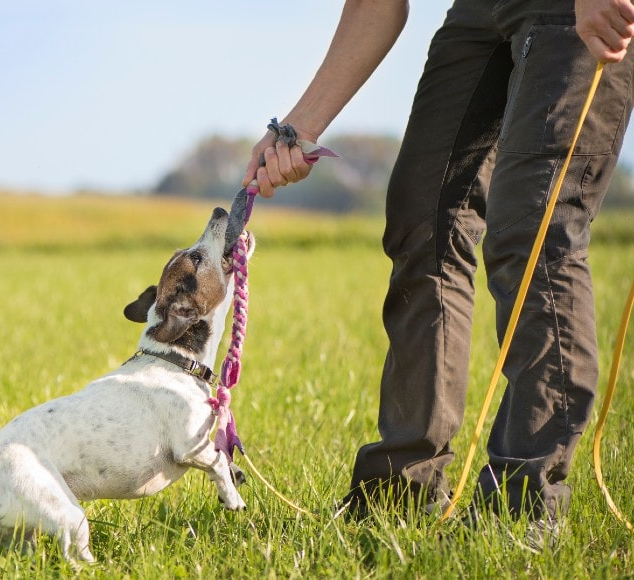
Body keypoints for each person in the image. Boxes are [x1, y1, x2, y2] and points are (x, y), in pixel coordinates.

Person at [243, 0, 634, 534]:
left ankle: (522, 507)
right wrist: (296, 128)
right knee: (422, 218)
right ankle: (400, 492)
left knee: (533, 227)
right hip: (479, 12)